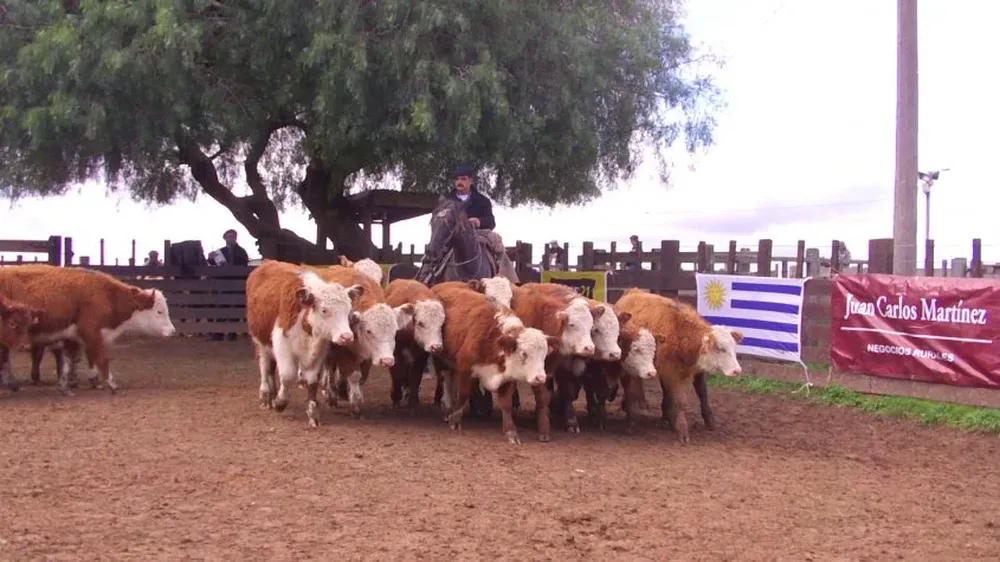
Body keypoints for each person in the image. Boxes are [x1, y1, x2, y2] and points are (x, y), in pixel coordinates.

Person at [447, 164, 519, 283]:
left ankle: (509, 280)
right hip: (452, 234)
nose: (459, 182)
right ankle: (426, 276)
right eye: (457, 179)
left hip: (478, 234)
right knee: (434, 251)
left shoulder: (482, 200)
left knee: (497, 244)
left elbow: (491, 221)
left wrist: (478, 221)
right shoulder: (447, 200)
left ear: (471, 180)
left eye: (463, 179)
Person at [211, 229, 250, 341]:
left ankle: (232, 332)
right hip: (223, 283)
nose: (230, 239)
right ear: (225, 238)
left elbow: (244, 264)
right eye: (228, 237)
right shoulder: (220, 251)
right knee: (221, 308)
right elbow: (213, 264)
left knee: (235, 307)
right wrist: (210, 258)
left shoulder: (241, 251)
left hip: (237, 283)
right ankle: (219, 333)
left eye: (232, 236)